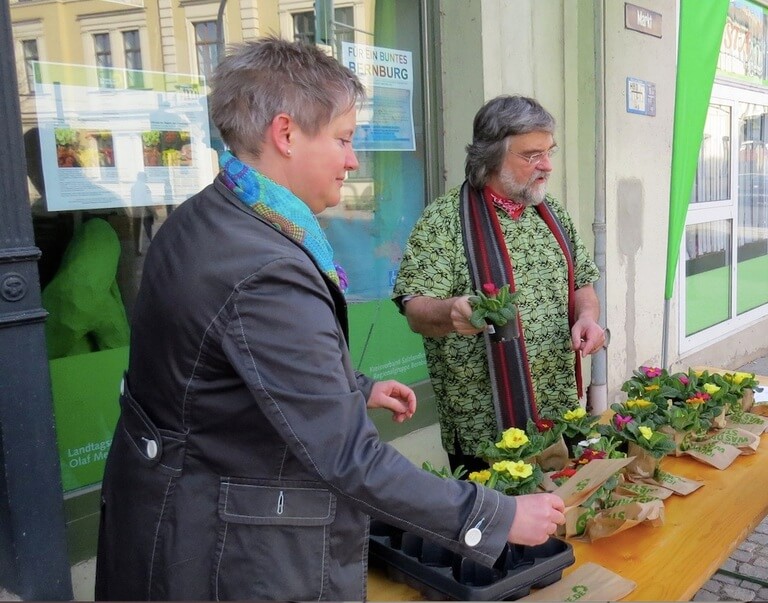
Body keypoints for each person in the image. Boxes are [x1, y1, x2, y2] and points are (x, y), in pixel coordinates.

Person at [94, 40, 565, 601]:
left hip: (173, 515)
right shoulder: (265, 267)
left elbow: (219, 365)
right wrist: (495, 517)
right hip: (224, 548)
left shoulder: (208, 217)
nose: (352, 160)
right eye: (343, 139)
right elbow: (347, 458)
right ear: (286, 133)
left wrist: (353, 387)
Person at [393, 95, 605, 474]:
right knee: (502, 531)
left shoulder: (550, 212)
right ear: (490, 156)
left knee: (567, 520)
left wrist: (587, 317)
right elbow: (416, 310)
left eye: (549, 151)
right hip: (484, 428)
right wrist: (451, 311)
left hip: (560, 412)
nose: (547, 166)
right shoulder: (443, 222)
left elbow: (582, 283)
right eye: (531, 155)